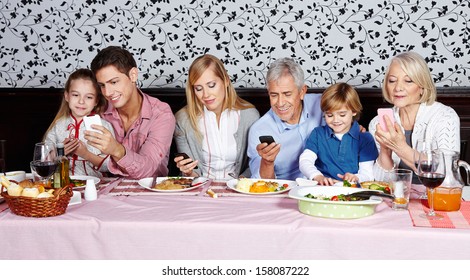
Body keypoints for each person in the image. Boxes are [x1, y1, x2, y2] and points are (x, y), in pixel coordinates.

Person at [369, 51, 460, 181]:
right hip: (399, 197)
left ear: (422, 86)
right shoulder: (378, 122)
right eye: (392, 80)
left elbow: (446, 174)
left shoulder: (445, 116)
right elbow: (381, 182)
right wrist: (385, 150)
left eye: (408, 81)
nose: (398, 87)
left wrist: (400, 147)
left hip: (435, 197)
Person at [87, 46, 176, 179]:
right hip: (106, 191)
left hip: (151, 192)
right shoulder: (98, 110)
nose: (108, 92)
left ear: (133, 75)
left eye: (114, 82)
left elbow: (149, 170)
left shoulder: (161, 114)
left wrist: (116, 150)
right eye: (102, 85)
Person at [174, 54, 260, 179]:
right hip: (200, 189)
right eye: (198, 88)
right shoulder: (183, 120)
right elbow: (191, 174)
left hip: (238, 189)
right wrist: (188, 172)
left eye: (211, 85)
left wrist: (240, 184)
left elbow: (255, 164)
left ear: (225, 80)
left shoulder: (249, 116)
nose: (206, 94)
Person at [247, 57, 324, 180]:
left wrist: (356, 129)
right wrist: (267, 162)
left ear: (302, 91)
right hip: (287, 192)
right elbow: (263, 183)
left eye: (287, 94)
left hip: (326, 187)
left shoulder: (323, 105)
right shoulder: (259, 130)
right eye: (274, 95)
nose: (280, 103)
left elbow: (347, 114)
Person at [299, 83, 378, 185]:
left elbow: (367, 174)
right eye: (330, 115)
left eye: (342, 114)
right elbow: (305, 160)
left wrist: (355, 178)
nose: (336, 120)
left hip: (351, 192)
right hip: (321, 190)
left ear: (354, 111)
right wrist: (317, 176)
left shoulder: (365, 138)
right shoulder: (318, 134)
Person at [44, 68, 115, 177]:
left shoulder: (103, 127)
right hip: (62, 184)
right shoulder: (58, 125)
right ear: (67, 96)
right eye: (76, 95)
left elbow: (111, 167)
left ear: (96, 101)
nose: (81, 101)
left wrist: (85, 154)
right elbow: (43, 161)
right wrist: (59, 153)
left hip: (94, 185)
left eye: (89, 97)